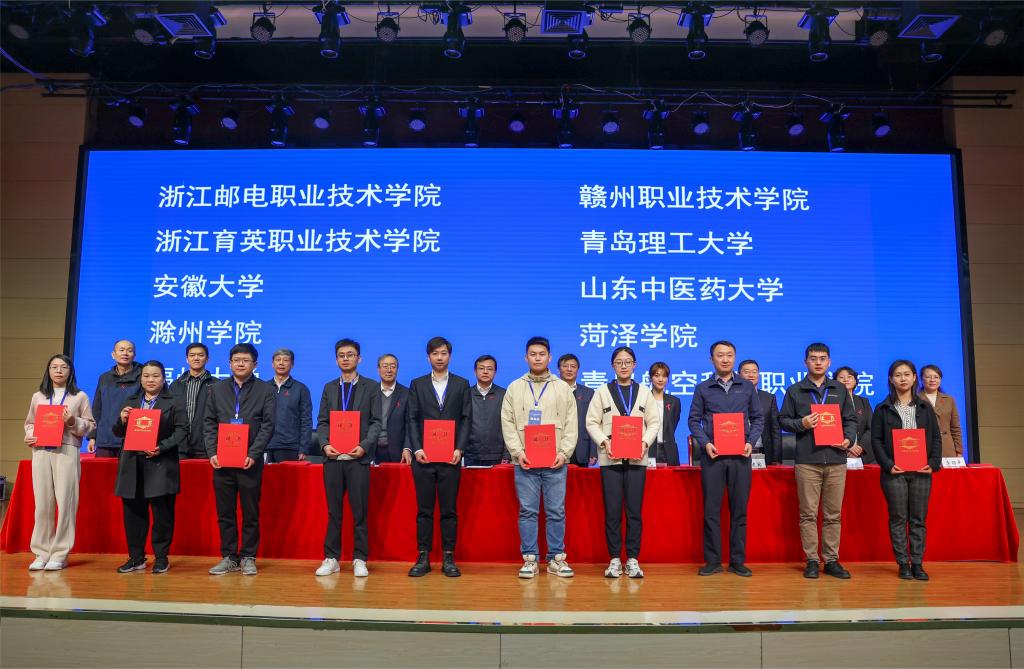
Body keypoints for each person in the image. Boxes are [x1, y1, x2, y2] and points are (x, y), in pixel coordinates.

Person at [500, 337, 578, 579]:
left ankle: (556, 558)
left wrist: (564, 453)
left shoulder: (562, 388)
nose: (537, 358)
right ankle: (530, 559)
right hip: (525, 461)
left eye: (542, 354)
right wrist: (517, 452)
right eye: (533, 354)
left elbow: (571, 424)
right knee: (527, 511)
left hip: (556, 462)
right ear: (526, 357)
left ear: (549, 357)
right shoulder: (515, 388)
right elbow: (507, 423)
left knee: (556, 512)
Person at [779, 343, 858, 580]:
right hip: (807, 460)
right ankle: (812, 560)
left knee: (833, 514)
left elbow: (850, 419)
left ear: (829, 362)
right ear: (806, 362)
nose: (818, 362)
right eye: (813, 358)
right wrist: (801, 424)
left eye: (822, 358)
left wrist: (848, 438)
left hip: (836, 459)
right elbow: (783, 420)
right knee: (808, 514)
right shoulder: (795, 390)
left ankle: (831, 560)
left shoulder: (839, 389)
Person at [688, 341, 763, 578]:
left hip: (741, 456)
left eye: (729, 355)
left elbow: (758, 418)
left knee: (739, 510)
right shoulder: (703, 388)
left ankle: (737, 561)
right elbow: (693, 421)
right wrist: (705, 443)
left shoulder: (747, 387)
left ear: (734, 358)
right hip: (714, 457)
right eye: (720, 355)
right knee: (711, 511)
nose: (725, 359)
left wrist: (750, 442)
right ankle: (712, 561)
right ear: (712, 359)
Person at [586, 346, 660, 579]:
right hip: (610, 460)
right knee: (613, 511)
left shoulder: (644, 392)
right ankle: (615, 559)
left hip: (637, 459)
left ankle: (633, 559)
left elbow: (654, 422)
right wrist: (603, 442)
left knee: (634, 512)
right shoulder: (602, 392)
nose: (624, 365)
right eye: (619, 362)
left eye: (628, 361)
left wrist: (645, 443)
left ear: (635, 365)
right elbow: (591, 422)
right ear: (613, 366)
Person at [203, 343, 276, 576]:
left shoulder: (265, 390)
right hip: (222, 461)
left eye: (245, 360)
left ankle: (248, 557)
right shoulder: (217, 389)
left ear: (255, 364)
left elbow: (268, 425)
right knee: (225, 512)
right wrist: (212, 452)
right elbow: (209, 422)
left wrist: (254, 454)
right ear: (230, 363)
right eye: (236, 360)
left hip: (249, 462)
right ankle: (229, 557)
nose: (240, 364)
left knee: (250, 512)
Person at [403, 336, 472, 578]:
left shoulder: (462, 384)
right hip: (424, 458)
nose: (439, 357)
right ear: (428, 357)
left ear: (449, 356)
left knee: (449, 510)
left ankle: (448, 558)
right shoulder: (417, 384)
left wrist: (459, 449)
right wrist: (417, 449)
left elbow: (466, 418)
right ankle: (423, 557)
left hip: (451, 458)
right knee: (424, 510)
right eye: (435, 354)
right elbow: (412, 419)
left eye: (443, 353)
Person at [110, 360, 188, 574]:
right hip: (132, 464)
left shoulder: (174, 401)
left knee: (162, 515)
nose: (150, 380)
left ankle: (161, 558)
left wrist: (161, 447)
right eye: (146, 376)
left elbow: (182, 431)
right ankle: (136, 558)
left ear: (164, 378)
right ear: (140, 378)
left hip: (160, 463)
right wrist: (122, 420)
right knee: (133, 514)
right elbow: (117, 432)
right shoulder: (131, 400)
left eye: (155, 376)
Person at [314, 339, 382, 578]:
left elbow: (376, 422)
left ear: (359, 359)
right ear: (336, 360)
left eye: (350, 355)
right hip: (333, 459)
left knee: (359, 512)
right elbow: (322, 421)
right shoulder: (329, 387)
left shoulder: (371, 387)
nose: (346, 358)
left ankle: (360, 558)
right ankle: (331, 558)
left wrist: (364, 446)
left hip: (358, 459)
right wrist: (325, 444)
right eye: (341, 355)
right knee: (334, 512)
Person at [871, 360, 942, 580]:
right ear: (891, 379)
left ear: (914, 378)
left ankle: (917, 563)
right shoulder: (882, 408)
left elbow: (936, 437)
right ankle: (903, 563)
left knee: (918, 519)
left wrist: (933, 462)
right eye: (898, 375)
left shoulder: (925, 408)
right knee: (898, 518)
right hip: (895, 472)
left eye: (907, 374)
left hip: (921, 471)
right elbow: (876, 440)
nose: (902, 379)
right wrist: (888, 464)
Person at [23, 355, 95, 571]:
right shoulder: (38, 396)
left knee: (66, 502)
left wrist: (73, 421)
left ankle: (60, 553)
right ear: (48, 371)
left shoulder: (79, 396)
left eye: (63, 367)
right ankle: (42, 552)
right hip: (41, 451)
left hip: (66, 450)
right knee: (42, 504)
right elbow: (29, 423)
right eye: (54, 367)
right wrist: (30, 435)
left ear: (70, 371)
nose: (58, 370)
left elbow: (90, 425)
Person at [89, 339, 141, 458]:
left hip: (133, 439)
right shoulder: (104, 378)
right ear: (113, 354)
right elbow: (97, 408)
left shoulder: (142, 376)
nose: (125, 353)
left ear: (134, 355)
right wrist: (93, 436)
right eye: (121, 350)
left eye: (129, 350)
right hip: (105, 439)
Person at [265, 348, 313, 463]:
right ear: (272, 364)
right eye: (278, 360)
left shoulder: (301, 389)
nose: (281, 363)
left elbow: (306, 421)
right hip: (265, 445)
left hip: (290, 446)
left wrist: (303, 448)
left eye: (285, 360)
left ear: (292, 365)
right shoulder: (264, 387)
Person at [169, 343, 216, 460]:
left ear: (207, 359)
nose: (196, 358)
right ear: (187, 359)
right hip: (179, 445)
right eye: (192, 355)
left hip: (206, 446)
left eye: (200, 355)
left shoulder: (217, 385)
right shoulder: (175, 385)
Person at [738, 360, 783, 465]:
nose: (751, 375)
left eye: (754, 372)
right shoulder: (731, 398)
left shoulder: (769, 398)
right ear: (739, 375)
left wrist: (777, 459)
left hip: (763, 453)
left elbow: (775, 431)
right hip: (738, 454)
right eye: (746, 372)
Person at [465, 355, 507, 466]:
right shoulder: (466, 394)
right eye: (481, 368)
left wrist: (507, 455)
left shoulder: (504, 394)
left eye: (489, 369)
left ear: (495, 372)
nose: (485, 372)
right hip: (471, 454)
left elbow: (509, 425)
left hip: (497, 455)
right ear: (475, 371)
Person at [558, 353, 596, 467]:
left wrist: (593, 451)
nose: (569, 369)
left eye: (573, 366)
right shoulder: (551, 391)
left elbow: (593, 422)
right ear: (559, 369)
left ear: (577, 370)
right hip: (557, 448)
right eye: (565, 366)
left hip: (581, 449)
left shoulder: (589, 393)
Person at [919, 364, 963, 459]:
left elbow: (955, 427)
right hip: (924, 447)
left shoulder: (949, 400)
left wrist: (959, 451)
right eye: (928, 377)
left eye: (936, 377)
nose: (932, 380)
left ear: (940, 379)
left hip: (947, 447)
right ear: (921, 379)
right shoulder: (915, 399)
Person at [834, 366, 874, 464]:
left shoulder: (863, 402)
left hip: (863, 454)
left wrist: (860, 447)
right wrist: (849, 446)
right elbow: (830, 428)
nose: (846, 379)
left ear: (855, 381)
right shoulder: (830, 402)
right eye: (841, 377)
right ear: (834, 382)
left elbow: (871, 428)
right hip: (839, 453)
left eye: (849, 377)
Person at [648, 361, 682, 466]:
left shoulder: (674, 401)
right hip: (648, 449)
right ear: (650, 378)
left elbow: (673, 425)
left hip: (669, 450)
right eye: (657, 375)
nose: (660, 379)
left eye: (664, 376)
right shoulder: (644, 400)